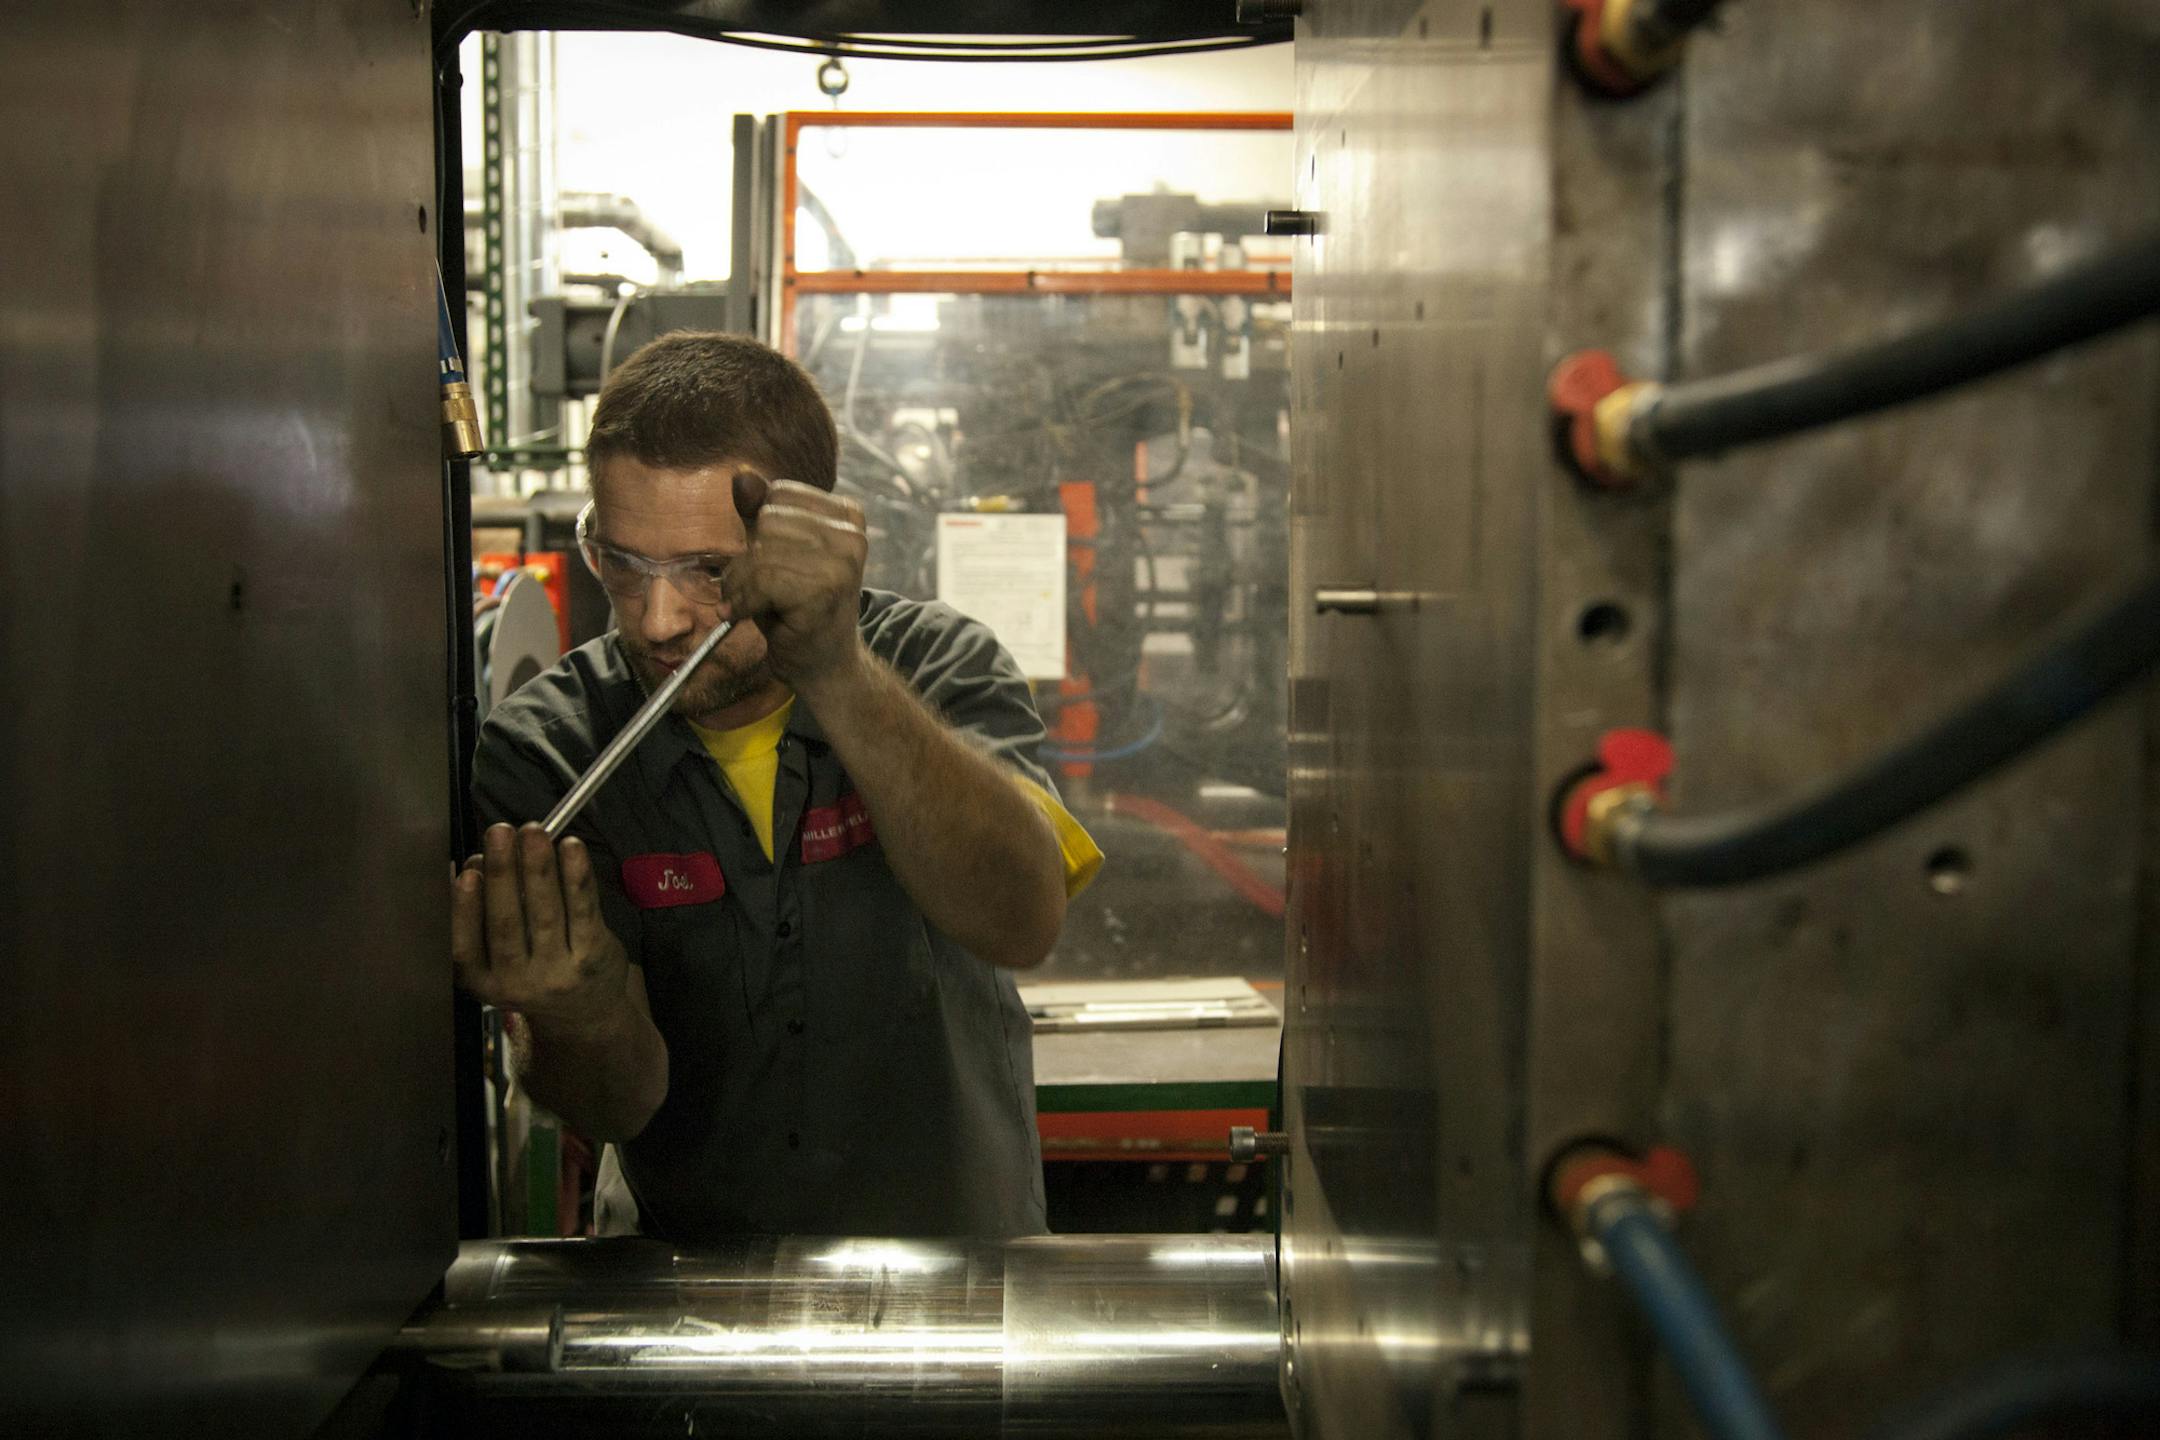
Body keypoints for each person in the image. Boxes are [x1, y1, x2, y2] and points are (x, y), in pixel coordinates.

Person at [451, 331, 1102, 1240]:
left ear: (809, 534)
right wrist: (579, 1007)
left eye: (708, 572)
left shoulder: (938, 666)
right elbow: (618, 1103)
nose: (657, 618)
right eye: (623, 562)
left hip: (957, 1281)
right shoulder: (550, 750)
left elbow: (1024, 917)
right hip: (690, 1296)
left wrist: (837, 671)